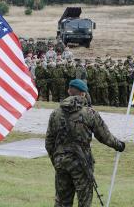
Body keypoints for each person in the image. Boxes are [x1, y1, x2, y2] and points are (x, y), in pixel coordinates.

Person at [45, 79, 125, 207]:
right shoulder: (90, 113)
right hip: (82, 164)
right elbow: (105, 137)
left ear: (68, 91)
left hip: (61, 163)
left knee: (62, 202)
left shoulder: (55, 114)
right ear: (83, 94)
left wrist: (56, 160)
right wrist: (119, 145)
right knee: (84, 202)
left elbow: (49, 142)